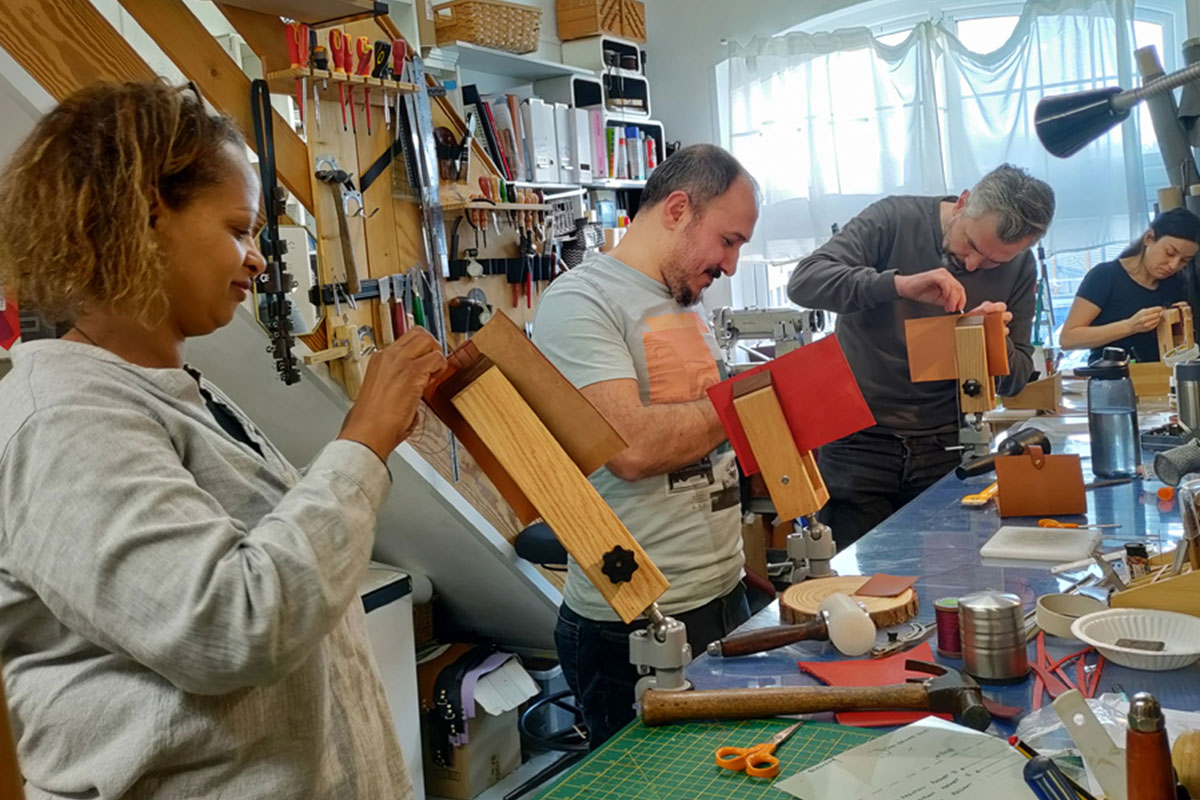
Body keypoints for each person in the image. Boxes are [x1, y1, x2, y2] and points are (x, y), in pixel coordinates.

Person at [0, 80, 446, 799]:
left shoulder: (165, 387)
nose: (258, 258)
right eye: (238, 228)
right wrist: (362, 444)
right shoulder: (61, 420)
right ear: (142, 219)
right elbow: (232, 623)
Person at [532, 144, 759, 747]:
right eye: (728, 241)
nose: (732, 265)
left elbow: (703, 427)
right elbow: (629, 448)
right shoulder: (581, 301)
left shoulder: (686, 298)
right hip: (632, 623)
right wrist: (744, 399)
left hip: (721, 593)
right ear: (678, 209)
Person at [788, 164, 1055, 547]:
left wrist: (991, 339)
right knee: (862, 588)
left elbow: (1016, 381)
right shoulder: (893, 219)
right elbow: (804, 282)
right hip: (857, 443)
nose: (974, 265)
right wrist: (898, 285)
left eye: (996, 262)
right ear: (963, 203)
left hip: (945, 447)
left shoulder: (1020, 267)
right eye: (973, 246)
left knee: (943, 586)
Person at [1060, 207, 1200, 363]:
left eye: (1184, 260)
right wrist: (1131, 326)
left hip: (1161, 377)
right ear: (1149, 238)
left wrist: (1180, 324)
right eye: (1169, 253)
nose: (1174, 265)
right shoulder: (1105, 276)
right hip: (1111, 381)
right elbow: (1068, 339)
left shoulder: (1176, 282)